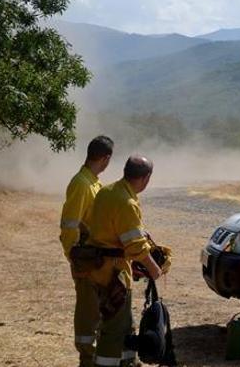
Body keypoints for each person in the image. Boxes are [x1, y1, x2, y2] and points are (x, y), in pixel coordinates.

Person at [83, 155, 164, 367]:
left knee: (125, 323)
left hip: (96, 269)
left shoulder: (107, 191)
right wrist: (154, 270)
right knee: (114, 329)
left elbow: (108, 226)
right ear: (146, 178)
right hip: (114, 274)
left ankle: (129, 363)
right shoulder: (127, 202)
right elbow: (135, 246)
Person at [59, 135, 113, 367]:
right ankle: (87, 360)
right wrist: (74, 260)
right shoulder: (81, 184)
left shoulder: (93, 182)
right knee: (87, 315)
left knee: (99, 315)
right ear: (106, 158)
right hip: (86, 263)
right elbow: (69, 226)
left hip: (98, 263)